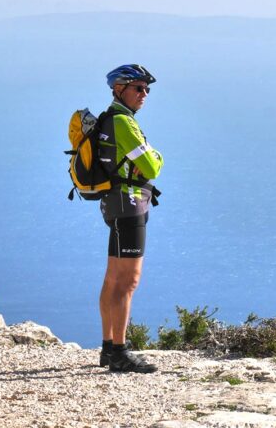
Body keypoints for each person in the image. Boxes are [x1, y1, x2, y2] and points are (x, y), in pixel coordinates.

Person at [97, 64, 164, 373]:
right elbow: (151, 167)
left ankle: (109, 347)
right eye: (139, 88)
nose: (144, 94)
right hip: (130, 205)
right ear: (119, 88)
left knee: (113, 276)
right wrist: (156, 156)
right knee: (128, 280)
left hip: (117, 203)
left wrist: (149, 157)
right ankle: (119, 352)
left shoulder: (111, 118)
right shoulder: (123, 122)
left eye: (147, 89)